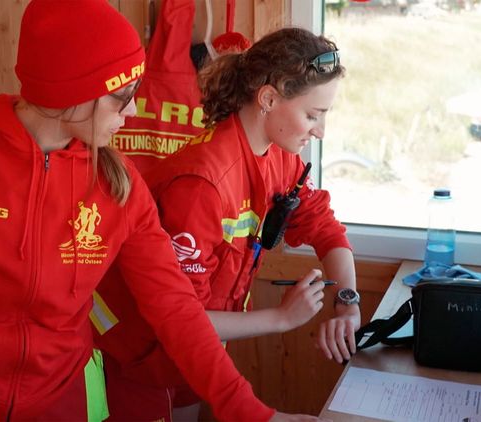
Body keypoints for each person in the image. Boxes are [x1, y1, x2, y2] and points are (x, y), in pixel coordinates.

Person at [0, 2, 321, 421]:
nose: (132, 110)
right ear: (73, 92)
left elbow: (177, 309)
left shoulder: (119, 185)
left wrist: (252, 413)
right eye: (122, 96)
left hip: (66, 401)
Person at [95, 27, 361, 421]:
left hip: (198, 353)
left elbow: (324, 227)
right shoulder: (201, 185)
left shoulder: (279, 157)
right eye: (312, 115)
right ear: (268, 99)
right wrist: (281, 319)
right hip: (139, 356)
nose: (320, 131)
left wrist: (347, 304)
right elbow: (181, 317)